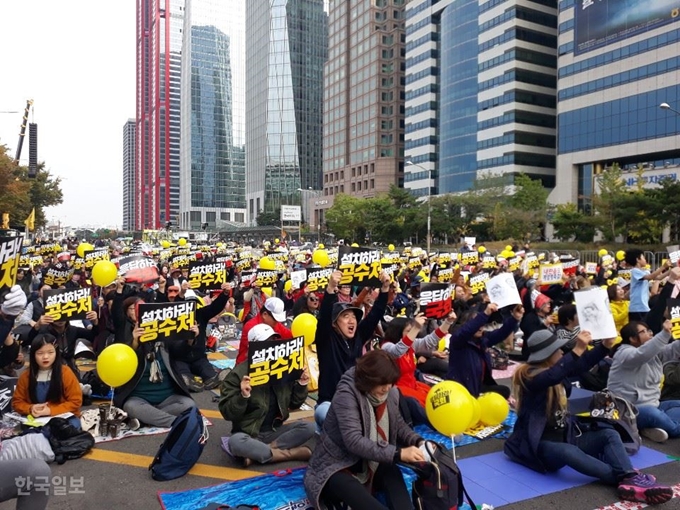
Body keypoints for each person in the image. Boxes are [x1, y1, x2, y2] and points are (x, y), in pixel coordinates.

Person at [504, 329, 672, 505]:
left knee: (609, 434)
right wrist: (577, 349)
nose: (562, 352)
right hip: (539, 445)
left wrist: (605, 346)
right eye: (558, 349)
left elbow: (581, 364)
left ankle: (629, 477)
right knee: (569, 452)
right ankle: (628, 478)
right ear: (547, 354)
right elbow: (553, 376)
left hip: (565, 436)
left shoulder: (556, 370)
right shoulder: (530, 377)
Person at [304, 350, 427, 510]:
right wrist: (398, 453)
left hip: (371, 461)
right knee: (344, 483)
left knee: (391, 470)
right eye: (382, 384)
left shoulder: (390, 392)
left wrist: (419, 441)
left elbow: (399, 425)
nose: (387, 388)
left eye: (390, 383)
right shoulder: (347, 394)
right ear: (369, 379)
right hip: (338, 464)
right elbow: (353, 441)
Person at [219, 324, 315, 467]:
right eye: (267, 342)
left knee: (309, 427)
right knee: (235, 442)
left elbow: (294, 404)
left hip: (275, 431)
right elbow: (228, 413)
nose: (272, 346)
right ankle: (290, 454)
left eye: (274, 341)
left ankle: (261, 453)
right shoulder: (238, 374)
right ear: (254, 347)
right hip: (248, 434)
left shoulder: (283, 367)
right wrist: (243, 396)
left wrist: (301, 384)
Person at [314, 269, 391, 431]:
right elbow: (324, 317)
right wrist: (330, 288)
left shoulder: (358, 337)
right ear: (335, 323)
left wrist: (384, 290)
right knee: (338, 418)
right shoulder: (327, 339)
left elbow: (374, 315)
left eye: (354, 317)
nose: (352, 320)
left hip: (355, 400)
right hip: (329, 403)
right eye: (345, 316)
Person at [113, 319, 196, 428]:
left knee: (189, 404)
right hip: (139, 398)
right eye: (132, 309)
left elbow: (181, 352)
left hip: (168, 397)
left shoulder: (165, 341)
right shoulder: (130, 339)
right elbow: (125, 360)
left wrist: (190, 338)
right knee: (130, 407)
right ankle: (176, 422)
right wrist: (135, 342)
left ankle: (146, 419)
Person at [607, 320, 680, 443]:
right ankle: (669, 426)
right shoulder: (624, 353)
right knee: (654, 414)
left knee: (677, 404)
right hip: (628, 411)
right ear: (632, 338)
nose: (650, 334)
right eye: (644, 332)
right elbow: (642, 354)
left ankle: (648, 427)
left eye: (649, 330)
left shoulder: (654, 352)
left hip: (654, 405)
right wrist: (664, 333)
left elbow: (673, 349)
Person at [447, 303, 524, 399]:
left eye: (482, 325)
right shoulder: (458, 340)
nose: (480, 327)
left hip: (478, 387)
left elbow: (501, 333)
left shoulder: (483, 339)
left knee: (504, 391)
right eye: (477, 324)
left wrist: (514, 318)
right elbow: (466, 331)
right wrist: (485, 313)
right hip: (462, 389)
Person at [13, 334, 83, 430]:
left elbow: (75, 401)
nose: (45, 357)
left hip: (63, 417)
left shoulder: (65, 372)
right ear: (33, 355)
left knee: (68, 428)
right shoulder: (26, 376)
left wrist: (50, 411)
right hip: (36, 418)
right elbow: (17, 402)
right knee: (32, 431)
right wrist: (30, 408)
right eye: (40, 353)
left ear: (56, 353)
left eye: (50, 352)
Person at [236, 297, 292, 364]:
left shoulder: (275, 324)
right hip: (246, 366)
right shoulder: (251, 327)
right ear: (265, 314)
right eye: (275, 319)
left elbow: (290, 336)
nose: (277, 322)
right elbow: (259, 351)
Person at [624, 250, 669, 322]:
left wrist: (671, 271)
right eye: (643, 258)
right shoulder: (635, 271)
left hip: (644, 307)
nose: (645, 260)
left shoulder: (645, 272)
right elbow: (650, 277)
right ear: (637, 260)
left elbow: (658, 278)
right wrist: (663, 267)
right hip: (637, 308)